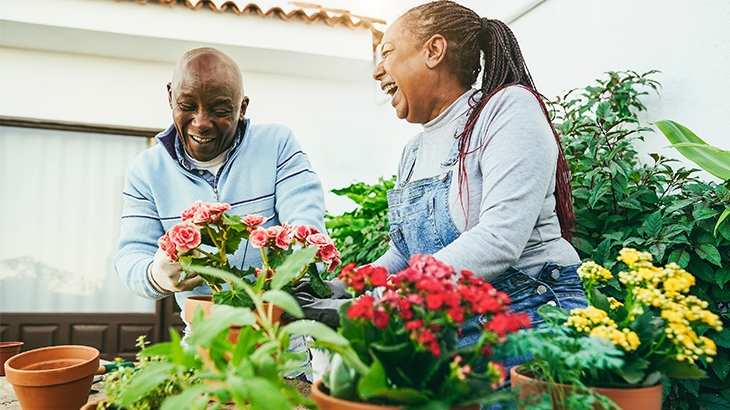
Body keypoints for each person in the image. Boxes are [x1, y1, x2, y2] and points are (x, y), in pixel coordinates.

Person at [370, 0, 588, 346]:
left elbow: (499, 238)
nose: (377, 71)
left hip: (529, 318)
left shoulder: (507, 109)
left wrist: (390, 297)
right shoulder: (412, 152)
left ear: (434, 51)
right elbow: (402, 254)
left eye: (388, 52)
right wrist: (341, 289)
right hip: (452, 330)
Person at [114, 47, 326, 379]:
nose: (201, 122)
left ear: (242, 108)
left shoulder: (277, 144)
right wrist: (156, 274)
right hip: (202, 344)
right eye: (187, 106)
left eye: (220, 109)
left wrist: (287, 270)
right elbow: (129, 257)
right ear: (170, 97)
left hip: (280, 344)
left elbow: (306, 224)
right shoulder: (146, 170)